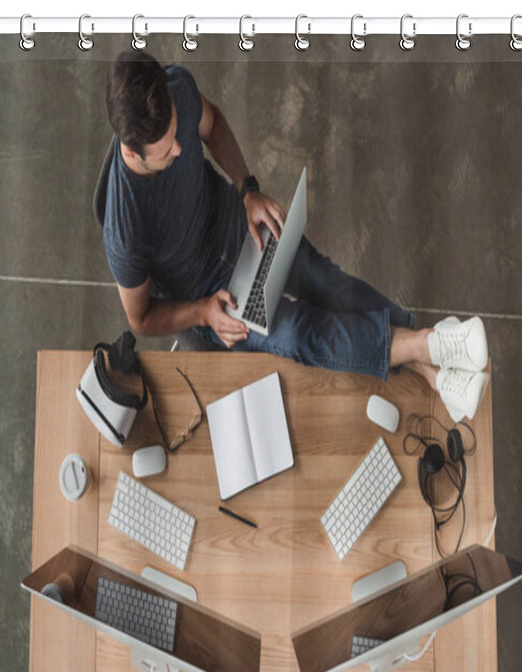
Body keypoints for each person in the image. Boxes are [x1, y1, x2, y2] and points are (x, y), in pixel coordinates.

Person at [102, 51, 489, 422]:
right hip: (212, 293)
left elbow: (213, 124)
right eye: (168, 149)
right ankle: (429, 345)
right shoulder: (125, 229)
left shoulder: (176, 89)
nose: (181, 148)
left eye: (176, 133)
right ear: (133, 155)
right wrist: (202, 311)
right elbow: (142, 317)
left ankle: (431, 370)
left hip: (239, 224)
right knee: (301, 334)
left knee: (325, 281)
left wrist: (248, 190)